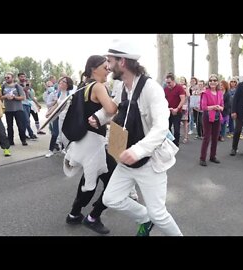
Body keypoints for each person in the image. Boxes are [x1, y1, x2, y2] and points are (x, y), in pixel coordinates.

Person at [94, 39, 182, 236]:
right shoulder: (121, 86)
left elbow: (161, 127)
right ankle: (145, 218)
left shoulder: (152, 89)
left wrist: (138, 150)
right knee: (111, 199)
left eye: (110, 60)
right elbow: (114, 106)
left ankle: (154, 219)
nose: (107, 66)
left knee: (159, 214)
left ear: (122, 62)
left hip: (150, 161)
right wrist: (98, 117)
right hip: (125, 157)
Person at [64, 55, 118, 235]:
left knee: (90, 178)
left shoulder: (84, 86)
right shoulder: (98, 86)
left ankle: (74, 214)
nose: (108, 69)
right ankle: (93, 216)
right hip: (94, 143)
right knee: (114, 180)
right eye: (105, 67)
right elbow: (110, 110)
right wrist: (120, 101)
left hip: (85, 141)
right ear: (94, 68)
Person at [199, 74, 224, 166]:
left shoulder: (220, 93)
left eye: (214, 80)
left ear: (217, 82)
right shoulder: (205, 93)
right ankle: (202, 158)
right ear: (208, 82)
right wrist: (214, 107)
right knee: (207, 137)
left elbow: (222, 106)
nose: (212, 82)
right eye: (211, 80)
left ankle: (212, 156)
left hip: (217, 116)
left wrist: (220, 108)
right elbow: (203, 107)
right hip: (207, 117)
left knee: (215, 137)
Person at [164, 73, 186, 146]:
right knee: (167, 129)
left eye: (169, 82)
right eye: (166, 82)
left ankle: (176, 144)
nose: (168, 84)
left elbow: (183, 99)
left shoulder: (179, 88)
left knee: (176, 129)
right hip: (168, 111)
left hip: (177, 112)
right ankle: (169, 143)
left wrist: (177, 108)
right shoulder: (165, 89)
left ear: (173, 81)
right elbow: (163, 99)